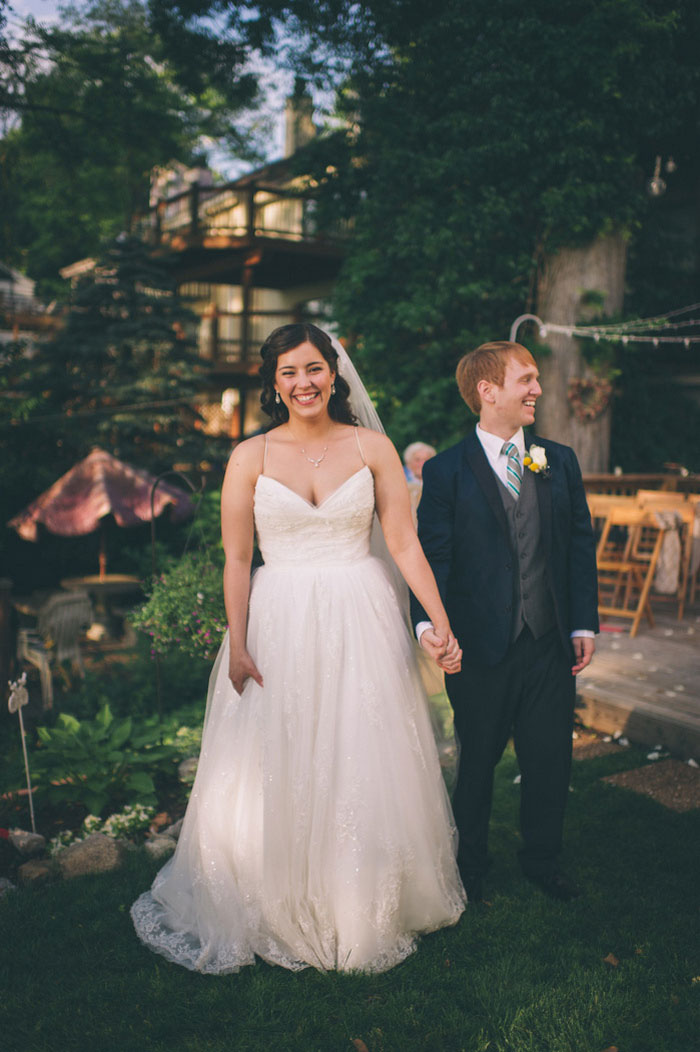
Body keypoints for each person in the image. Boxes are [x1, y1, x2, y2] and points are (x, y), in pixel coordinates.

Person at [132, 323, 465, 974]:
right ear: (273, 382)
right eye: (288, 372)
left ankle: (363, 898)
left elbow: (402, 544)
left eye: (313, 369)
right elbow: (235, 557)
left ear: (333, 374)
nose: (303, 383)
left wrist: (439, 620)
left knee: (361, 749)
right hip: (278, 615)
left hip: (360, 612)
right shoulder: (248, 457)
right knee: (278, 751)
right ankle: (271, 892)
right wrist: (239, 640)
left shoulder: (372, 447)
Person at [412, 341, 598, 904]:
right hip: (478, 647)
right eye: (527, 380)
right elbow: (432, 557)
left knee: (549, 759)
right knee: (477, 763)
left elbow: (576, 546)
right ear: (487, 392)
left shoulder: (558, 459)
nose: (537, 390)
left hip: (547, 643)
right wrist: (429, 628)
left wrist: (582, 625)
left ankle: (543, 860)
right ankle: (469, 867)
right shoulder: (445, 471)